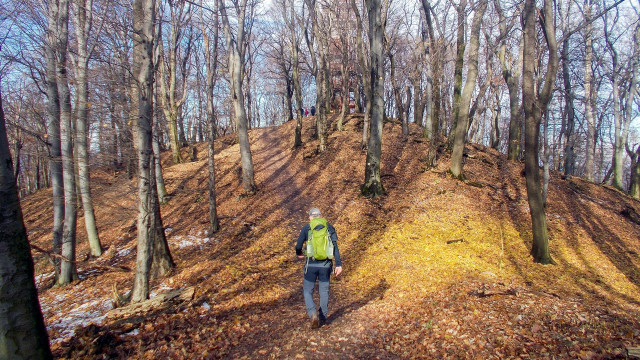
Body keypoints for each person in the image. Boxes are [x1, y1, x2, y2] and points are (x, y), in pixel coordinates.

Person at [296, 208, 342, 329]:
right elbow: (335, 247)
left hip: (310, 265)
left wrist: (299, 253)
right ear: (321, 216)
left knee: (307, 291)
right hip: (326, 266)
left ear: (310, 217)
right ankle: (322, 317)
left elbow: (298, 245)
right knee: (324, 291)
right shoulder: (329, 227)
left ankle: (312, 313)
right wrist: (338, 264)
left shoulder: (307, 228)